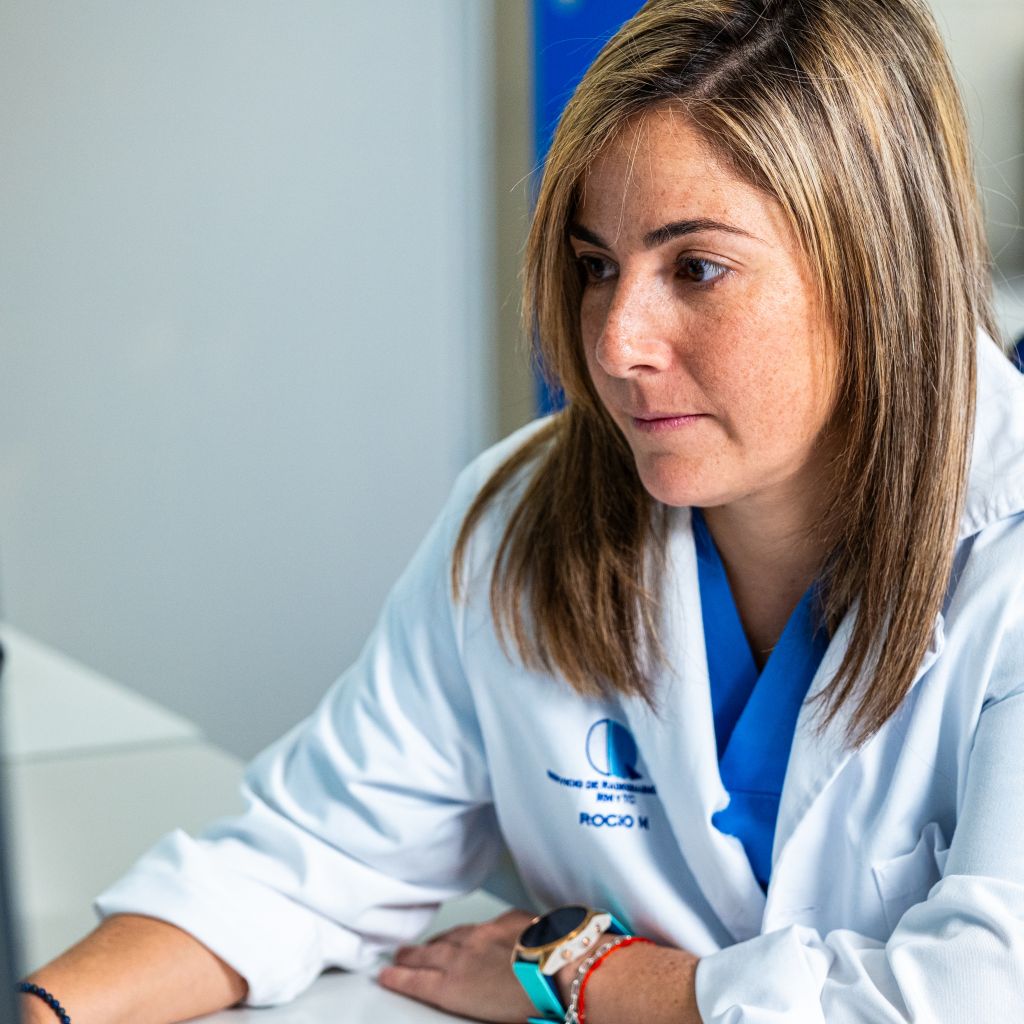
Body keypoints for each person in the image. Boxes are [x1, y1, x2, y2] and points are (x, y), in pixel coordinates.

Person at [19, 1, 1024, 1021]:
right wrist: (43, 1008)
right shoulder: (522, 518)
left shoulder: (1010, 551)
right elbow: (302, 859)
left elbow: (979, 996)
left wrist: (590, 974)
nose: (617, 342)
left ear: (878, 267)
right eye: (597, 267)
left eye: (696, 268)